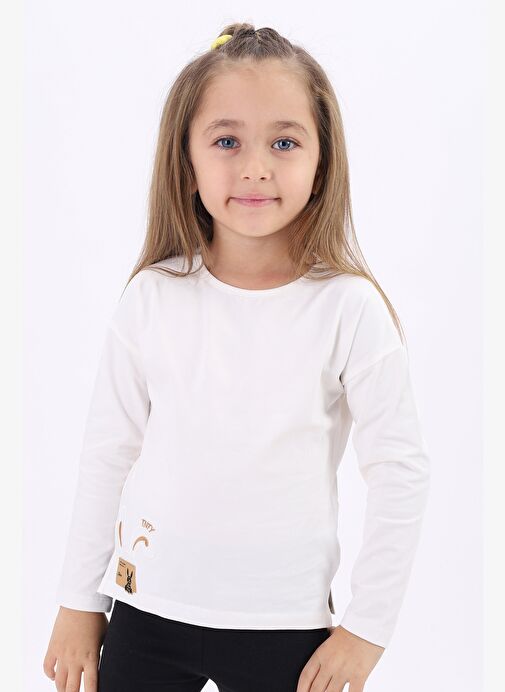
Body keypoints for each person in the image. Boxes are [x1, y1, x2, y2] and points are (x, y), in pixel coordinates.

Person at [43, 22, 431, 692]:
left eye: (284, 142)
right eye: (227, 141)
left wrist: (367, 629)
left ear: (321, 160)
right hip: (146, 610)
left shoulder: (348, 308)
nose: (255, 167)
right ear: (186, 158)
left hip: (285, 629)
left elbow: (400, 472)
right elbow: (108, 452)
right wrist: (79, 602)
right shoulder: (153, 296)